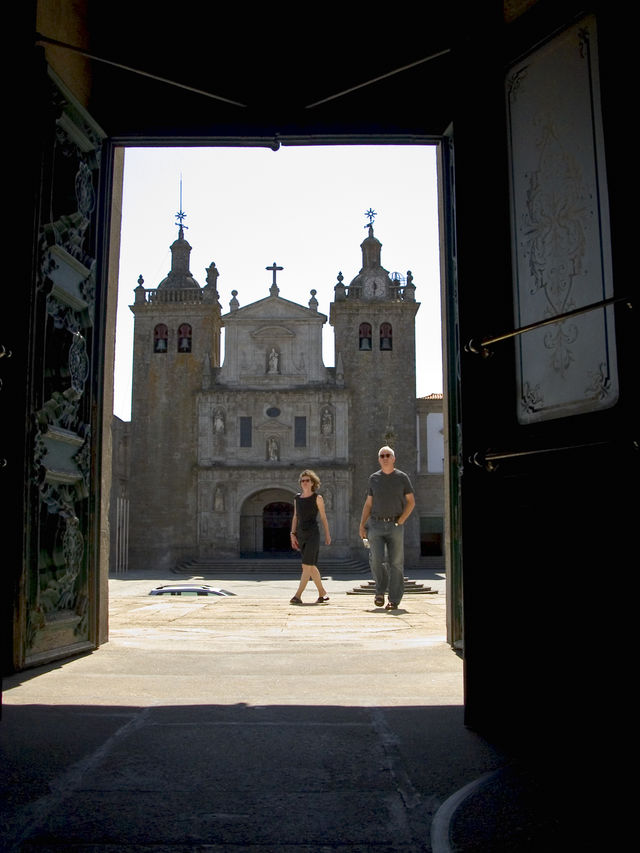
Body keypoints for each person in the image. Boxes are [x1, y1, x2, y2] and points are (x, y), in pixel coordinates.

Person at [359, 446, 415, 610]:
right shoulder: (374, 478)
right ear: (379, 459)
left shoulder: (402, 477)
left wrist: (401, 520)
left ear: (393, 458)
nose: (385, 458)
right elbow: (368, 503)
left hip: (395, 525)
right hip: (375, 524)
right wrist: (362, 524)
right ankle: (380, 591)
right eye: (382, 456)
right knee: (375, 560)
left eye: (388, 455)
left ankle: (394, 599)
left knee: (396, 563)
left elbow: (411, 501)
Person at [289, 470, 331, 604]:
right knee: (310, 566)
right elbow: (295, 516)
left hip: (313, 533)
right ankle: (322, 593)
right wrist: (292, 534)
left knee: (306, 565)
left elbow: (323, 517)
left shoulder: (317, 498)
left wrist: (328, 535)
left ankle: (297, 596)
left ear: (312, 483)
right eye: (303, 481)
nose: (305, 483)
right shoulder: (297, 498)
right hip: (301, 534)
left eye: (307, 480)